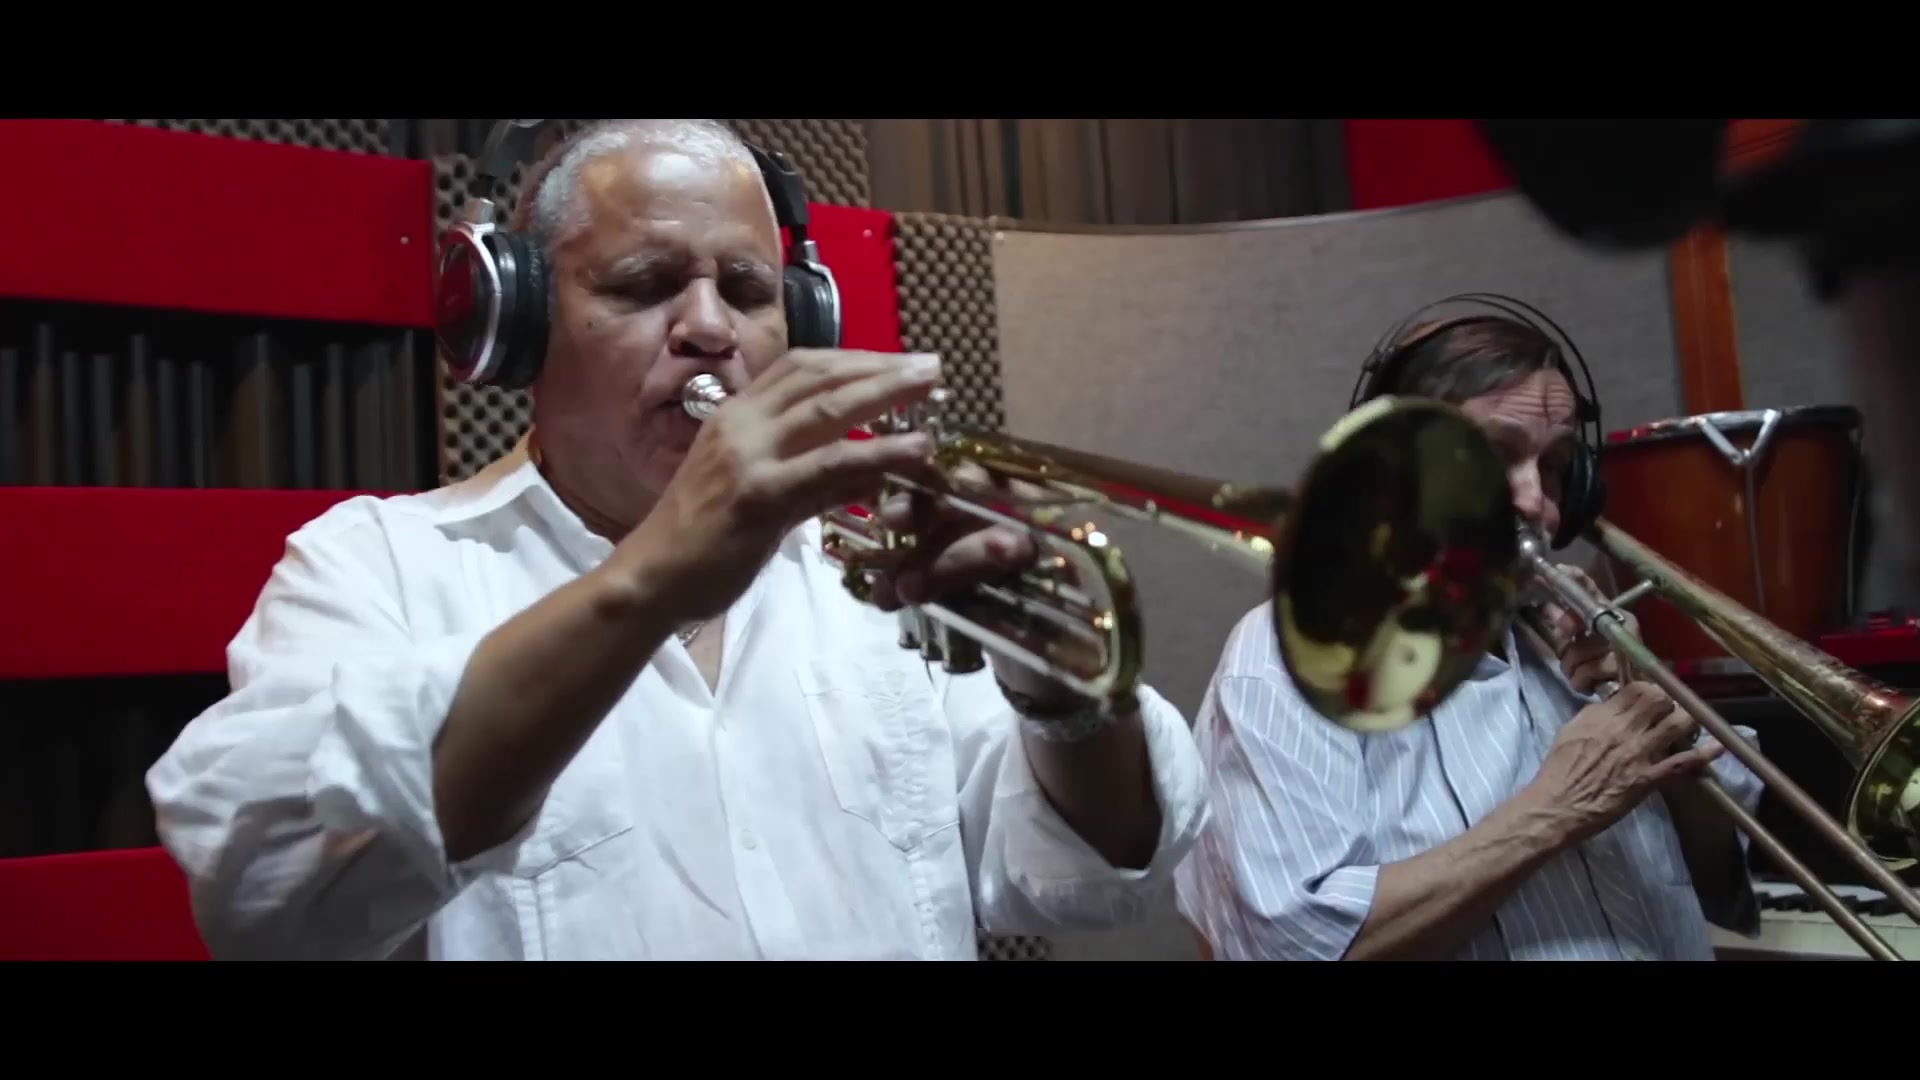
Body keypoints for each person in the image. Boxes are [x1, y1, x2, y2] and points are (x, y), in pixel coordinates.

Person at [145, 118, 1208, 961]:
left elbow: (1088, 876)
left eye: (747, 291)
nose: (710, 327)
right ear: (515, 325)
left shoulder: (869, 580)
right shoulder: (375, 566)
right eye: (645, 285)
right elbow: (265, 895)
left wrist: (1065, 695)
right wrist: (656, 575)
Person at [1175, 305, 1765, 961]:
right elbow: (1288, 945)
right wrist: (1557, 807)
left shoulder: (1579, 639)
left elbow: (1722, 886)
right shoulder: (1285, 659)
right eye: (1494, 455)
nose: (1535, 501)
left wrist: (1655, 716)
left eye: (1555, 465)